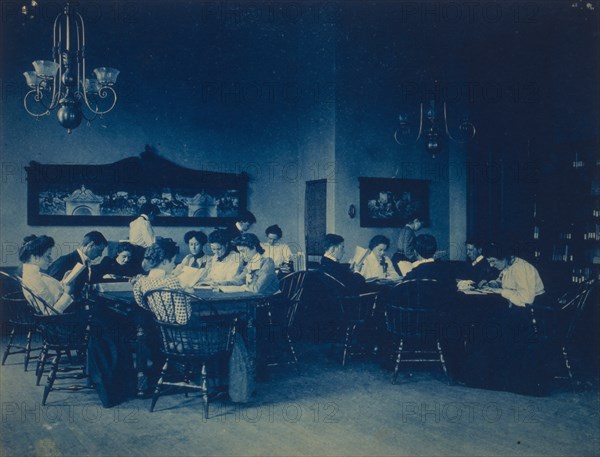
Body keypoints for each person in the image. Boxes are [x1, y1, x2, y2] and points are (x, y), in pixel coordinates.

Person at [133, 239, 191, 325]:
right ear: (165, 261)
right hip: (182, 333)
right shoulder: (171, 282)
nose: (174, 265)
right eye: (173, 261)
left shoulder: (141, 282)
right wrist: (186, 295)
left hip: (161, 327)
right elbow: (183, 320)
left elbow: (143, 304)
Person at [19, 235, 76, 314]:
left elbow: (51, 292)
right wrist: (67, 293)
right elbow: (49, 313)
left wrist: (64, 282)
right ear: (35, 257)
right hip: (59, 321)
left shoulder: (34, 275)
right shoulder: (34, 280)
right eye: (48, 256)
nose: (51, 260)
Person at [480, 242, 545, 307]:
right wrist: (492, 285)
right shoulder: (507, 266)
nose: (491, 265)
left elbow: (526, 300)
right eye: (489, 262)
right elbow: (504, 282)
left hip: (533, 307)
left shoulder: (519, 268)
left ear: (503, 256)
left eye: (493, 261)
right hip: (518, 305)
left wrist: (501, 291)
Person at [48, 231, 108, 297]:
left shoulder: (86, 263)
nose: (100, 254)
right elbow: (51, 288)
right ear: (91, 245)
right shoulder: (65, 261)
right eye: (99, 250)